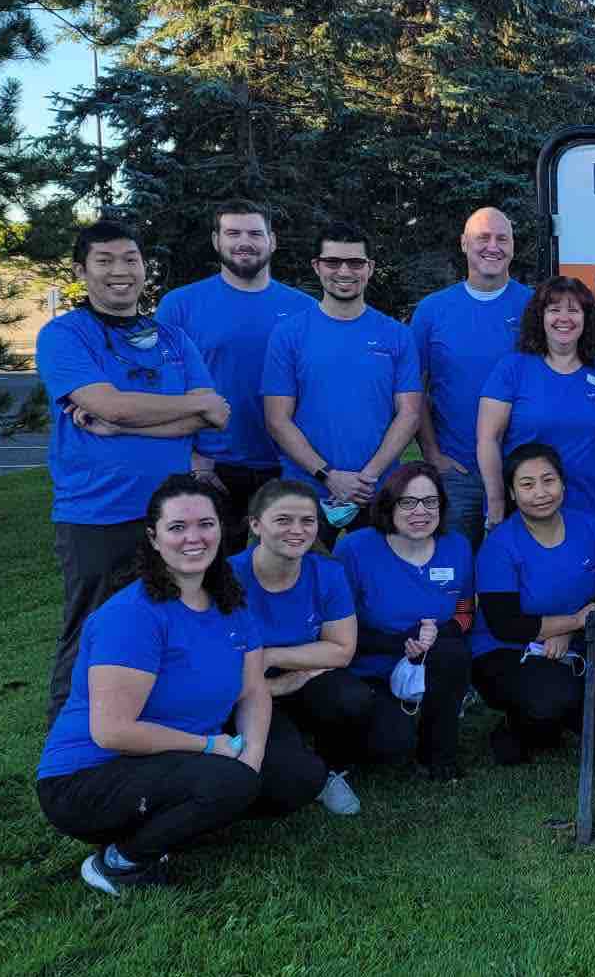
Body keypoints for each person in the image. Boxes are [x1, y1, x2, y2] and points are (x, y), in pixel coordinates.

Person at [36, 475, 326, 896]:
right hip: (86, 777)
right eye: (177, 528)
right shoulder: (133, 616)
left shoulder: (230, 601)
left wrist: (252, 755)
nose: (194, 537)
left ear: (222, 529)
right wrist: (212, 749)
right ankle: (119, 861)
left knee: (296, 777)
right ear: (154, 538)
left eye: (205, 524)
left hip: (171, 756)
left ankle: (180, 814)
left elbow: (253, 691)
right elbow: (113, 732)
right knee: (228, 782)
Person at [36, 221, 227, 724]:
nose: (120, 271)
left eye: (130, 259)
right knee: (93, 626)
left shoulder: (172, 337)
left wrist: (119, 423)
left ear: (145, 268)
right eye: (104, 261)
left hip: (172, 516)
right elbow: (107, 403)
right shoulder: (65, 334)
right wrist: (177, 407)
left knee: (171, 621)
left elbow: (216, 414)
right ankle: (72, 738)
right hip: (97, 513)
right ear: (81, 271)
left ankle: (154, 720)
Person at [228, 478, 396, 816]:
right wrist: (274, 684)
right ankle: (295, 758)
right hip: (245, 688)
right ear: (256, 524)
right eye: (283, 520)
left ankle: (331, 766)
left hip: (302, 674)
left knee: (356, 702)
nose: (297, 530)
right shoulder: (227, 577)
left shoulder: (327, 572)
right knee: (286, 780)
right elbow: (222, 665)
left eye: (307, 521)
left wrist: (272, 656)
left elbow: (342, 650)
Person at [156, 201, 316, 550]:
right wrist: (197, 460)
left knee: (278, 574)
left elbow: (315, 389)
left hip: (286, 465)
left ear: (272, 241)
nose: (245, 242)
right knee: (212, 578)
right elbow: (165, 389)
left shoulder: (305, 309)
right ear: (216, 240)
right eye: (233, 233)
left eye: (255, 233)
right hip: (213, 467)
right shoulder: (180, 305)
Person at [262, 222, 423, 546]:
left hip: (377, 490)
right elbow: (277, 420)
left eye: (355, 262)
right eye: (333, 262)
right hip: (306, 489)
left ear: (370, 268)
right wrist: (328, 475)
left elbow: (409, 414)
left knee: (378, 587)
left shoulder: (396, 335)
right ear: (317, 267)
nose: (344, 271)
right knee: (302, 584)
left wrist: (369, 477)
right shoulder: (289, 335)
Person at [469, 444, 595, 766]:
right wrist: (573, 622)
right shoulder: (499, 546)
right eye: (526, 484)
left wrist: (571, 633)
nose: (540, 492)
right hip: (504, 650)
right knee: (551, 700)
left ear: (563, 484)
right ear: (511, 492)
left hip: (571, 644)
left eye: (548, 480)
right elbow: (506, 624)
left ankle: (548, 721)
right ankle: (515, 727)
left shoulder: (590, 528)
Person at [333, 463, 475, 780]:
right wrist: (401, 642)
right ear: (389, 505)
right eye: (407, 502)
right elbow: (334, 628)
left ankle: (440, 754)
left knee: (453, 652)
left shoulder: (457, 546)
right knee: (391, 746)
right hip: (371, 664)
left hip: (432, 657)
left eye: (430, 501)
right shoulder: (355, 549)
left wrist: (441, 632)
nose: (420, 511)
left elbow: (465, 610)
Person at [411, 208, 534, 549]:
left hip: (522, 472)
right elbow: (412, 391)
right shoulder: (433, 311)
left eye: (502, 239)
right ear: (464, 244)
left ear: (512, 247)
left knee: (517, 576)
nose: (492, 246)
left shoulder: (535, 307)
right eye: (483, 237)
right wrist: (433, 454)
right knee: (455, 572)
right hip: (457, 473)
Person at [476, 274, 595, 534]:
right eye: (554, 310)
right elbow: (488, 439)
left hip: (587, 506)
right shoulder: (512, 368)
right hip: (524, 507)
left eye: (574, 310)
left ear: (586, 319)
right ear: (540, 318)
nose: (564, 318)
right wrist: (496, 500)